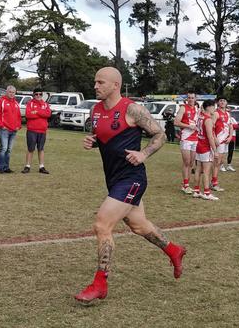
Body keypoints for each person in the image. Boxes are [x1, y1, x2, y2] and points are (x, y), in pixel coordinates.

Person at [74, 67, 186, 304]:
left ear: (115, 85)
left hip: (132, 178)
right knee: (139, 226)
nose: (95, 86)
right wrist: (93, 142)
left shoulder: (132, 109)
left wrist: (144, 153)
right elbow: (107, 138)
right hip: (113, 178)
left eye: (100, 82)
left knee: (102, 225)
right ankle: (174, 250)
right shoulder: (95, 110)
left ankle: (100, 283)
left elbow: (160, 135)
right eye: (95, 81)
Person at [193, 100, 219, 200]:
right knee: (206, 171)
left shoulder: (200, 117)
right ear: (208, 107)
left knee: (198, 169)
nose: (214, 109)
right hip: (205, 147)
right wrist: (215, 150)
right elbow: (210, 137)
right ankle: (207, 193)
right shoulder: (207, 119)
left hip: (199, 145)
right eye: (213, 107)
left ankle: (196, 190)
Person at [22, 88, 51, 174]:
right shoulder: (30, 104)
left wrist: (37, 112)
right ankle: (27, 166)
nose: (38, 96)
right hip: (32, 130)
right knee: (30, 149)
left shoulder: (45, 104)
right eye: (36, 94)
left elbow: (48, 114)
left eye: (40, 94)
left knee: (41, 149)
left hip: (42, 130)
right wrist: (41, 113)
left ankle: (41, 167)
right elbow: (28, 114)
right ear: (33, 95)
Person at [174, 92, 198, 194]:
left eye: (192, 98)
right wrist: (189, 126)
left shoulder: (197, 109)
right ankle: (185, 185)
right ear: (186, 99)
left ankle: (186, 184)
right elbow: (176, 122)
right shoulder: (183, 108)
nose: (191, 99)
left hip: (195, 138)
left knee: (192, 163)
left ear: (196, 98)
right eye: (189, 98)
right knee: (186, 162)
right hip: (186, 138)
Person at [0, 85, 21, 174]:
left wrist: (18, 126)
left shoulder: (16, 103)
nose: (12, 94)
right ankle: (0, 168)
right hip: (4, 130)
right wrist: (1, 126)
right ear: (7, 92)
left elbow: (18, 116)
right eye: (10, 92)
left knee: (9, 150)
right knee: (4, 148)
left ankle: (6, 167)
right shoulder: (1, 101)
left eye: (13, 92)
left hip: (13, 130)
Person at [210, 97, 232, 191]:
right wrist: (215, 139)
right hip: (218, 141)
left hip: (225, 141)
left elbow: (231, 126)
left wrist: (230, 136)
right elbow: (211, 127)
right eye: (221, 101)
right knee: (216, 162)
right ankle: (214, 183)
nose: (222, 102)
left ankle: (213, 181)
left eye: (224, 101)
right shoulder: (216, 113)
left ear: (226, 103)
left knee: (220, 162)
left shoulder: (228, 114)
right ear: (218, 103)